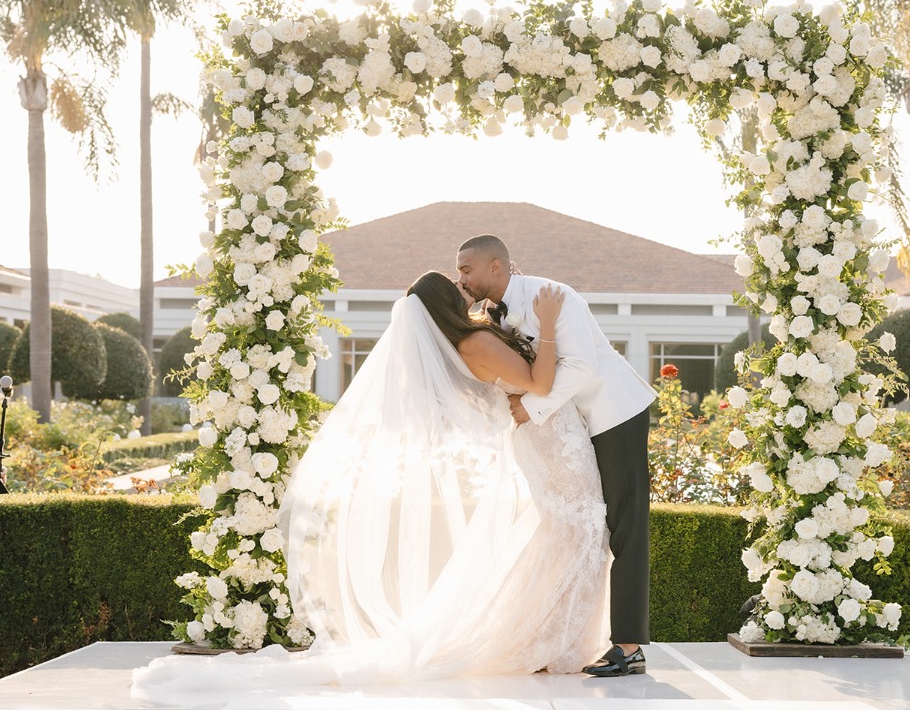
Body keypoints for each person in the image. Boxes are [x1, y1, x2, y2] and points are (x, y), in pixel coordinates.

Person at [131, 272, 609, 705]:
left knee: (569, 535)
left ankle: (551, 640)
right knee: (579, 531)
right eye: (458, 284)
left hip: (548, 440)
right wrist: (547, 323)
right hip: (554, 445)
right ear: (446, 302)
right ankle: (552, 642)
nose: (466, 287)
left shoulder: (472, 340)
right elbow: (542, 384)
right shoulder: (477, 345)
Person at [456, 235, 657, 678]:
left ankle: (628, 646)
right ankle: (560, 637)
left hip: (614, 412)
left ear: (495, 266)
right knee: (587, 526)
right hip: (575, 427)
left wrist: (534, 407)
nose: (461, 278)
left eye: (466, 269)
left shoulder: (555, 296)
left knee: (626, 526)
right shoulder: (490, 315)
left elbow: (581, 366)